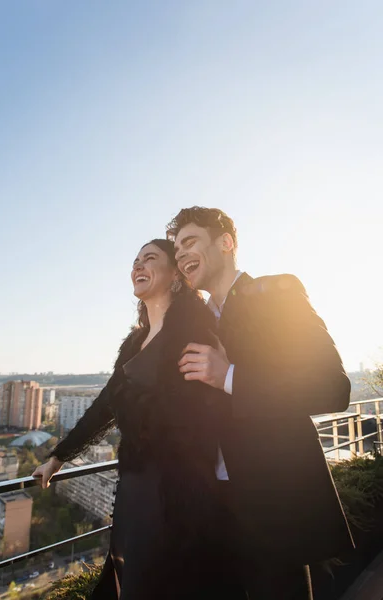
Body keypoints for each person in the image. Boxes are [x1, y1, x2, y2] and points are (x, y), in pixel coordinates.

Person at [32, 238, 248, 599]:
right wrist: (59, 457)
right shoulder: (134, 343)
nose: (138, 266)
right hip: (135, 485)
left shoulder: (193, 335)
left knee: (169, 581)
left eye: (150, 258)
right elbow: (105, 405)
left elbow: (206, 412)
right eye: (135, 260)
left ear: (176, 276)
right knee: (130, 577)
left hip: (180, 490)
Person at [166, 206, 355, 600]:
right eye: (176, 248)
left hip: (271, 503)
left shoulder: (277, 293)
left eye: (189, 243)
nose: (181, 255)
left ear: (226, 243)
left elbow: (332, 387)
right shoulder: (193, 322)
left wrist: (230, 377)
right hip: (210, 507)